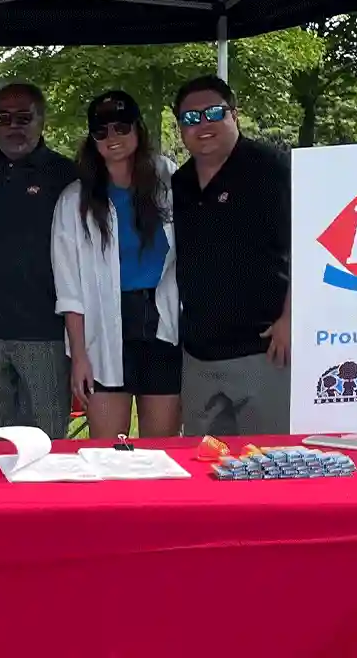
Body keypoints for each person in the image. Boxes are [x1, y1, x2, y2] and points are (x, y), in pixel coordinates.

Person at [52, 90, 181, 439]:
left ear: (139, 130)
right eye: (101, 131)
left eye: (122, 128)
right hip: (103, 330)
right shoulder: (74, 201)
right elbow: (69, 291)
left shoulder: (169, 181)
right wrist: (78, 356)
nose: (112, 138)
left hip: (162, 325)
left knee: (163, 448)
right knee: (107, 453)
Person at [170, 75, 291, 437]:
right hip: (198, 356)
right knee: (205, 471)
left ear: (234, 115)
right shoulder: (179, 183)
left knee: (268, 469)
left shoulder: (272, 170)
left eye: (213, 113)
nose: (202, 125)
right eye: (190, 119)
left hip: (262, 350)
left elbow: (309, 250)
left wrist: (291, 317)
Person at [0, 80, 79, 439]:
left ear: (42, 120)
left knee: (47, 443)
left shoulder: (65, 174)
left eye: (24, 117)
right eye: (3, 117)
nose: (14, 126)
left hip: (44, 333)